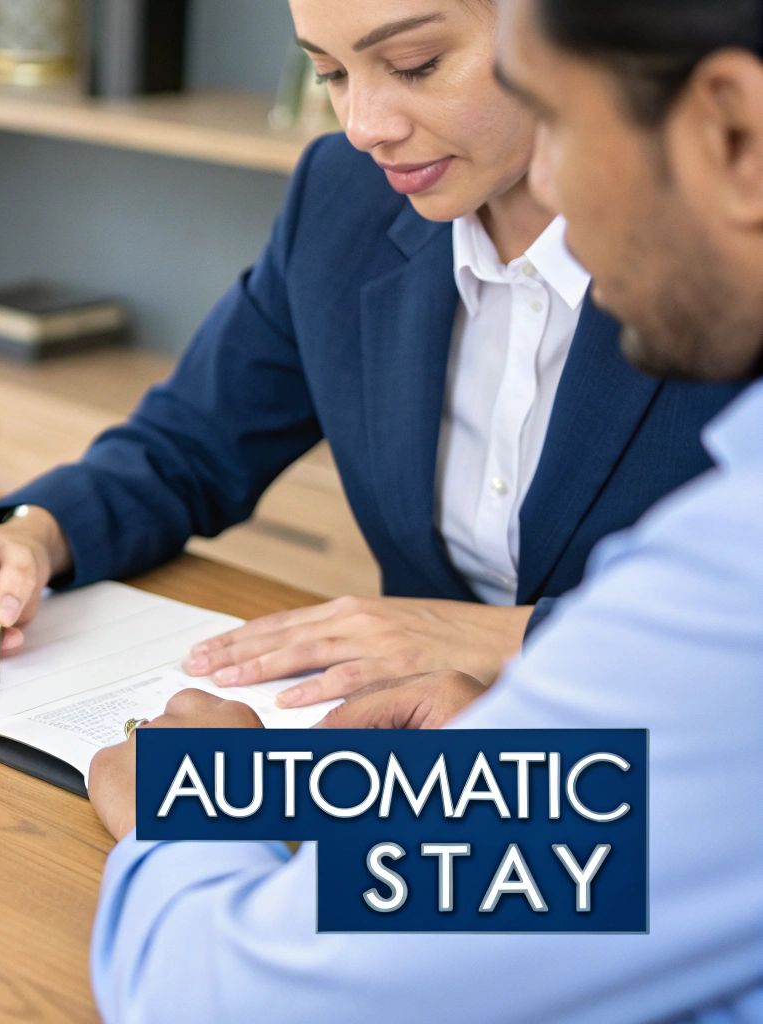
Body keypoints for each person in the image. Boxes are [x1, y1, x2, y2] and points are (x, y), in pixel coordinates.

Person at [84, 0, 763, 1019]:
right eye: (328, 74)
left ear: (731, 132)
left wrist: (198, 804)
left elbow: (226, 995)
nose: (552, 187)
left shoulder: (730, 583)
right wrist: (529, 753)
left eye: (561, 121)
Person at [0, 0, 741, 711]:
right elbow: (192, 442)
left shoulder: (722, 253)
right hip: (403, 756)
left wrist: (504, 639)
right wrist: (36, 536)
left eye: (414, 64)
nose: (365, 128)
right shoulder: (344, 196)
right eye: (331, 74)